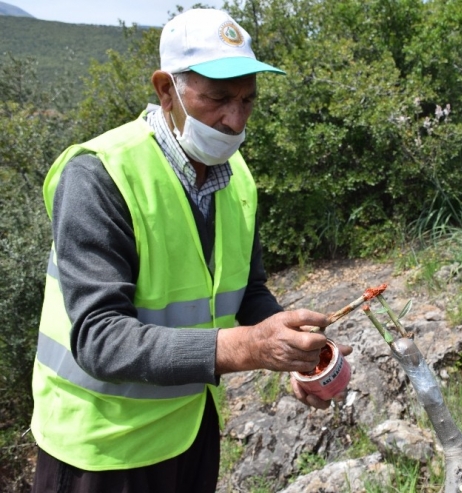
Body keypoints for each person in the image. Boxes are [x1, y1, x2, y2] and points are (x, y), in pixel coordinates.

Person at [30, 8, 351, 493]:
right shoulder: (99, 175)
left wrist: (295, 349)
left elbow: (248, 291)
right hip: (100, 450)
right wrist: (250, 348)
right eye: (218, 98)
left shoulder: (236, 176)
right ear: (166, 90)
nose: (235, 119)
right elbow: (99, 337)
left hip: (190, 432)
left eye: (248, 100)